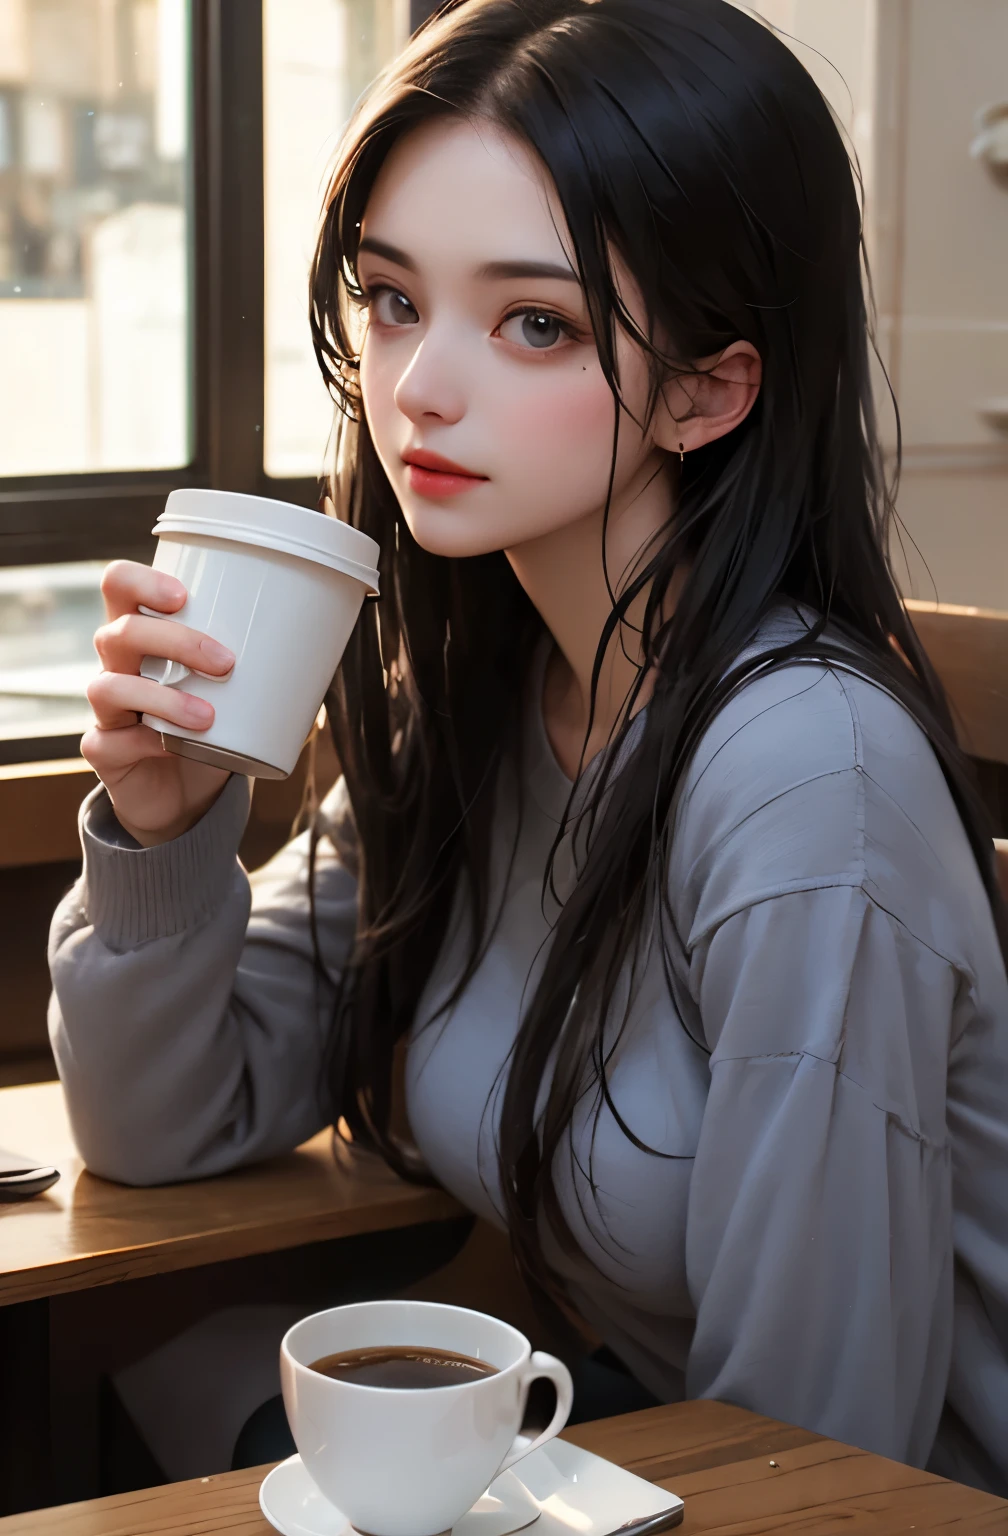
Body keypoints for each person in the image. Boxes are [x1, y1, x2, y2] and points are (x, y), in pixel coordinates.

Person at [49, 0, 1008, 1493]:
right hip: (649, 1435)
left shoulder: (808, 780)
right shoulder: (487, 690)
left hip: (842, 1491)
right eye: (388, 298)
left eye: (534, 322)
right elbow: (160, 1129)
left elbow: (822, 1453)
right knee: (149, 1368)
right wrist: (165, 836)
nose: (417, 383)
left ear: (712, 387)